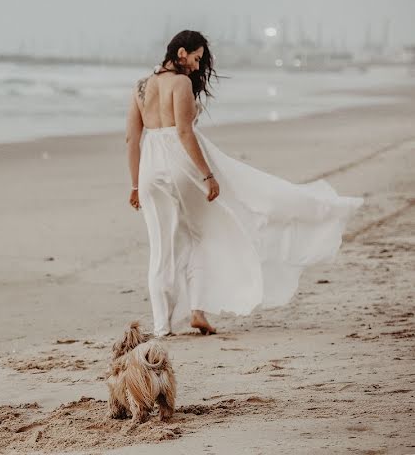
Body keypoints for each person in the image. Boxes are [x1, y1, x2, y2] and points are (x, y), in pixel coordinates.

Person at [125, 30, 363, 337]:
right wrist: (208, 175)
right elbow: (184, 133)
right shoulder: (181, 83)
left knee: (160, 249)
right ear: (181, 53)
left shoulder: (141, 86)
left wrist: (134, 184)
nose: (197, 67)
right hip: (178, 163)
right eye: (197, 59)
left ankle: (161, 327)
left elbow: (133, 138)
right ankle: (197, 309)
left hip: (149, 167)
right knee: (199, 236)